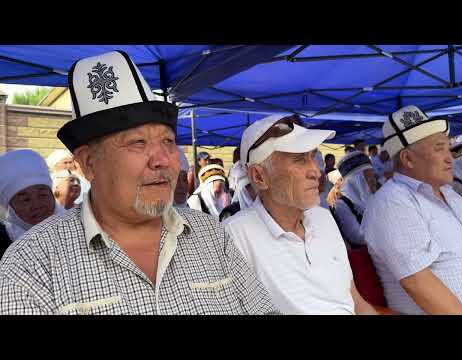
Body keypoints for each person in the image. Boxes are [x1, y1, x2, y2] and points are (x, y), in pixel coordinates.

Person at [0, 51, 277, 315]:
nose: (164, 160)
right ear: (88, 163)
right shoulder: (31, 264)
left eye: (168, 141)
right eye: (137, 142)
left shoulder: (210, 235)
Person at [224, 113, 377, 315]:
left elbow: (355, 301)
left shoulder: (323, 218)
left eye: (313, 156)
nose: (316, 171)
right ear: (259, 177)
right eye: (299, 160)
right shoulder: (233, 237)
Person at [362, 105, 462, 315]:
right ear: (408, 159)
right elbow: (417, 282)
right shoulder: (392, 202)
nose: (450, 158)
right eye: (439, 148)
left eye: (448, 147)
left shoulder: (452, 196)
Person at [0, 149, 59, 259]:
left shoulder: (75, 230)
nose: (37, 205)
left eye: (43, 195)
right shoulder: (4, 241)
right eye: (25, 199)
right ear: (10, 207)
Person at [332, 151, 377, 247]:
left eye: (373, 174)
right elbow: (357, 237)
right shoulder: (342, 205)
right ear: (358, 180)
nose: (374, 179)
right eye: (369, 176)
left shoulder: (374, 196)